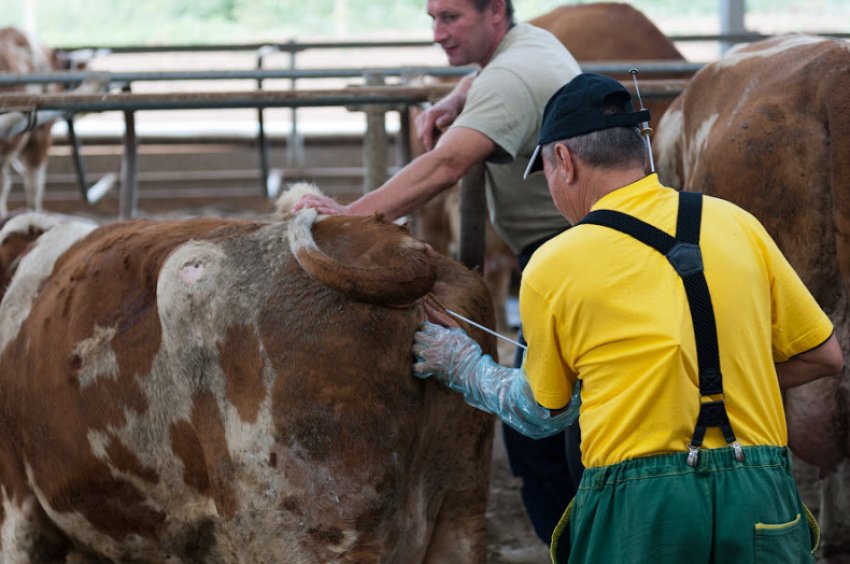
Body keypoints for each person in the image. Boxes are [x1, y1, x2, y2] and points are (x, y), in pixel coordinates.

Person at [411, 72, 844, 562]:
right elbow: (824, 356)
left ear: (565, 163)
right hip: (761, 493)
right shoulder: (737, 223)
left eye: (548, 174)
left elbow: (540, 413)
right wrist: (716, 379)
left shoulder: (554, 262)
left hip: (641, 507)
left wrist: (464, 366)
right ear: (642, 152)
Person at [294, 0, 583, 543]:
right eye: (431, 17)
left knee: (548, 426)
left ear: (494, 11)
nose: (436, 33)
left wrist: (349, 218)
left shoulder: (513, 76)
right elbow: (487, 81)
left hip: (571, 259)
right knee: (554, 423)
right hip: (568, 251)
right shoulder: (527, 44)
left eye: (450, 17)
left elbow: (446, 165)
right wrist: (455, 98)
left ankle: (584, 545)